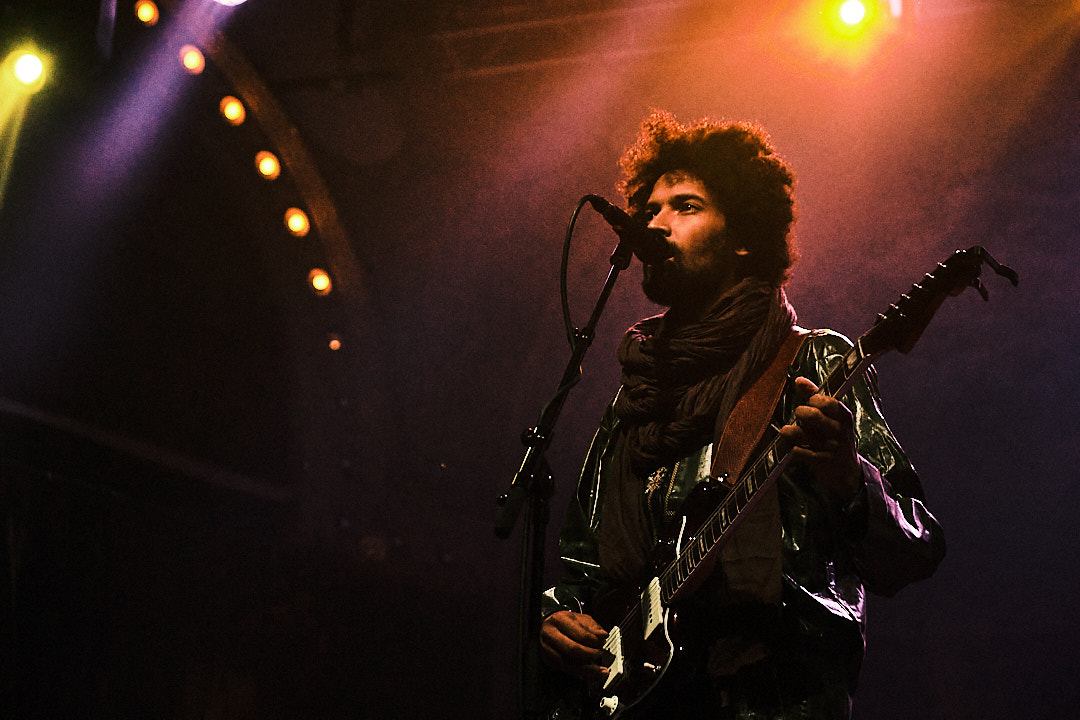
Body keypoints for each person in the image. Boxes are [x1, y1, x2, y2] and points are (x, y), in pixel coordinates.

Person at [539, 112, 945, 719]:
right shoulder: (637, 396)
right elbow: (584, 563)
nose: (655, 223)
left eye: (686, 206)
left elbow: (917, 550)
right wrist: (560, 616)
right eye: (649, 210)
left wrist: (848, 478)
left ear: (744, 237)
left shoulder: (811, 362)